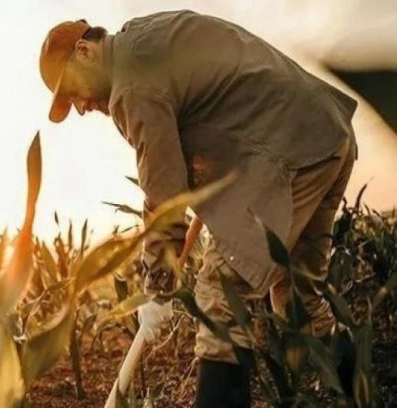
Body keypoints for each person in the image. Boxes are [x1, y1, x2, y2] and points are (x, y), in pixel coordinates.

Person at [38, 10, 358, 407]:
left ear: (84, 51)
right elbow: (211, 123)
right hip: (325, 135)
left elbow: (165, 192)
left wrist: (157, 287)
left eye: (73, 92)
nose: (82, 107)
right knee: (299, 300)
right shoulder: (142, 42)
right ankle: (360, 396)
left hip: (288, 153)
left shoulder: (132, 85)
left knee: (220, 298)